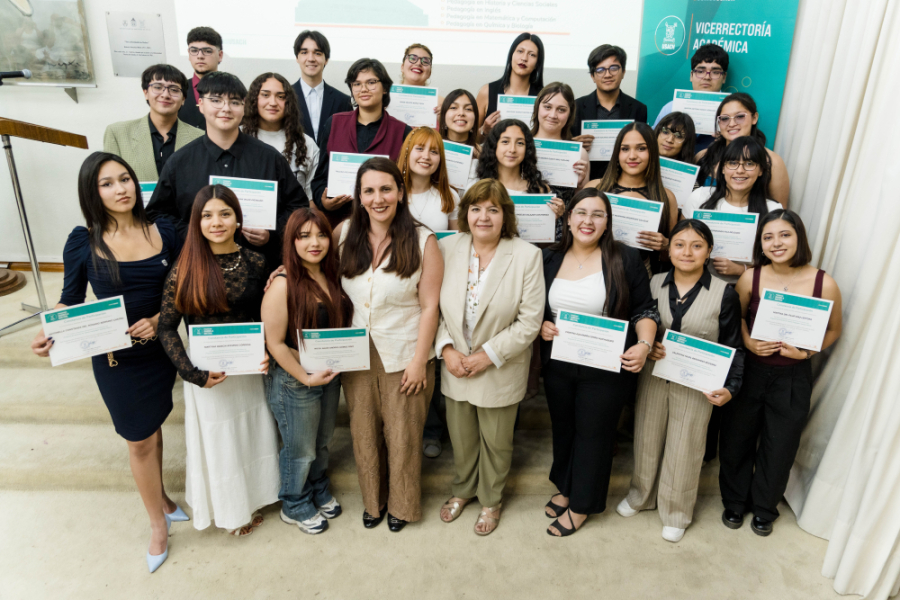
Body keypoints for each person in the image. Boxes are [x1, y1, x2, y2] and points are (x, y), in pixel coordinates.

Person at [30, 152, 184, 573]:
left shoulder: (165, 230)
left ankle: (165, 500)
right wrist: (50, 328)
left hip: (160, 352)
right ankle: (157, 523)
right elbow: (70, 298)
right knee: (138, 439)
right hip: (116, 357)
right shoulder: (84, 240)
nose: (121, 189)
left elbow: (181, 294)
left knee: (151, 428)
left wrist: (157, 320)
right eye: (107, 184)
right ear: (92, 193)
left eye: (125, 179)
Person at [157, 184, 279, 536]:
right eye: (207, 215)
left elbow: (266, 317)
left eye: (224, 213)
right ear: (196, 222)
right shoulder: (185, 269)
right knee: (221, 441)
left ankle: (255, 498)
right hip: (208, 374)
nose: (217, 222)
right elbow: (166, 328)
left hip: (249, 368)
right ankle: (230, 511)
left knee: (252, 431)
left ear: (238, 218)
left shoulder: (256, 262)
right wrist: (192, 373)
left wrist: (268, 352)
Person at [540, 188, 659, 536]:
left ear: (608, 223)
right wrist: (542, 325)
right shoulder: (549, 258)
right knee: (564, 429)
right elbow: (536, 308)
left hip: (607, 365)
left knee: (593, 434)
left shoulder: (625, 258)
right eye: (580, 212)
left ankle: (582, 505)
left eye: (597, 214)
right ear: (568, 217)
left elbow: (644, 309)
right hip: (559, 361)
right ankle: (565, 486)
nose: (587, 221)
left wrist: (644, 344)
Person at [617, 219, 744, 543]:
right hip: (654, 377)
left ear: (709, 251)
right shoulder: (652, 281)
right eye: (679, 244)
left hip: (698, 385)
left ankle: (676, 511)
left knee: (686, 446)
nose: (687, 252)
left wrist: (731, 388)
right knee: (646, 436)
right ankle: (641, 495)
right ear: (668, 248)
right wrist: (648, 343)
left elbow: (734, 346)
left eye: (697, 245)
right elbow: (636, 321)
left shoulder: (724, 294)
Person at [719, 209, 842, 537]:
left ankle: (764, 508)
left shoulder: (823, 282)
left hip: (793, 377)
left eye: (785, 235)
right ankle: (734, 500)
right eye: (768, 237)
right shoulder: (751, 277)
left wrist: (806, 352)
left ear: (799, 237)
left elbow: (834, 329)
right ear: (760, 243)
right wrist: (748, 342)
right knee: (736, 439)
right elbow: (739, 318)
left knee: (780, 445)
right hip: (752, 371)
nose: (777, 243)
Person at [335, 157, 443, 532]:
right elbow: (311, 267)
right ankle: (373, 502)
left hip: (405, 352)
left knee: (403, 435)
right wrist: (283, 271)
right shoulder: (344, 232)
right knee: (363, 432)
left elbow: (430, 307)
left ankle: (403, 505)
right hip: (356, 353)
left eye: (385, 188)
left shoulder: (423, 239)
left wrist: (418, 362)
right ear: (359, 196)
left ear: (400, 191)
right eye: (369, 190)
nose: (378, 198)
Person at [435, 179, 544, 535]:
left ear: (505, 216)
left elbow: (530, 322)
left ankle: (490, 500)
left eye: (493, 209)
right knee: (462, 439)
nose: (484, 216)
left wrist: (488, 355)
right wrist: (446, 349)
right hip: (455, 366)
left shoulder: (527, 255)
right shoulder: (446, 247)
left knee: (497, 443)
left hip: (499, 368)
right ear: (465, 213)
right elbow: (430, 307)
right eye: (476, 208)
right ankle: (462, 490)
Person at [146, 71, 309, 269]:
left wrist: (272, 234)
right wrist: (193, 232)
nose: (226, 109)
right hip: (199, 269)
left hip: (260, 271)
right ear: (201, 104)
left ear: (243, 107)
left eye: (234, 102)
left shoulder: (269, 157)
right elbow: (157, 214)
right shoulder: (180, 162)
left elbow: (298, 206)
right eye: (216, 100)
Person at [260, 208, 353, 535]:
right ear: (291, 241)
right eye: (304, 236)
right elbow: (275, 343)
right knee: (300, 449)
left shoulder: (331, 275)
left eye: (321, 234)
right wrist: (305, 377)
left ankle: (317, 486)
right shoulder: (282, 285)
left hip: (326, 376)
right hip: (293, 381)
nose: (315, 242)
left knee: (323, 440)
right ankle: (294, 502)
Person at [310, 58, 413, 228]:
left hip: (386, 226)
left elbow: (408, 186)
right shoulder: (333, 124)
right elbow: (319, 180)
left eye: (371, 82)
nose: (363, 89)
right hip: (339, 224)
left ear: (385, 88)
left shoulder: (402, 132)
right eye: (356, 84)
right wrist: (324, 201)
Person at [684, 136, 781, 284]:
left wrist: (742, 270)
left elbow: (778, 264)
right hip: (696, 281)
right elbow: (679, 240)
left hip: (746, 286)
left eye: (749, 163)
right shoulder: (699, 197)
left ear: (761, 170)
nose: (740, 170)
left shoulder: (773, 210)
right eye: (733, 163)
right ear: (722, 168)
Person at [588, 122, 679, 275]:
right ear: (617, 153)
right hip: (593, 270)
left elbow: (667, 258)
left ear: (652, 152)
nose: (632, 156)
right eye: (625, 149)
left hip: (644, 275)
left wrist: (666, 245)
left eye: (641, 148)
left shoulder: (666, 197)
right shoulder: (596, 188)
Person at [103, 64, 204, 182]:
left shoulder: (200, 138)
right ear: (146, 92)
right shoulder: (118, 133)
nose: (165, 94)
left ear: (183, 99)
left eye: (174, 89)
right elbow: (110, 181)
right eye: (157, 87)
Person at [696, 93, 790, 207]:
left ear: (754, 118)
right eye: (724, 118)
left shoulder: (772, 161)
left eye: (740, 116)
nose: (731, 124)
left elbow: (778, 215)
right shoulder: (703, 156)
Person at [571, 44, 648, 181]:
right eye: (600, 70)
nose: (607, 74)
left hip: (623, 181)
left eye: (613, 68)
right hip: (586, 180)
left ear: (623, 72)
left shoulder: (638, 109)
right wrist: (573, 146)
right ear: (593, 76)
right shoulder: (575, 107)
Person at [242, 72, 320, 201]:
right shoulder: (236, 137)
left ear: (289, 102)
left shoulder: (306, 144)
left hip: (294, 219)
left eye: (281, 97)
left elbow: (311, 202)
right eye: (265, 95)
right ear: (254, 99)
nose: (273, 102)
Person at [653, 44, 729, 153]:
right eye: (700, 71)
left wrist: (728, 140)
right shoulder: (670, 109)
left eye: (715, 72)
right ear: (691, 75)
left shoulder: (732, 115)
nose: (707, 77)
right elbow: (653, 143)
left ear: (724, 77)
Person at [476, 33, 545, 141]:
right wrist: (484, 130)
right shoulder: (487, 92)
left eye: (532, 55)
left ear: (537, 63)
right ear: (511, 55)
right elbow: (471, 139)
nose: (524, 58)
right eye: (520, 51)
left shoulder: (543, 97)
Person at [290, 30, 353, 144]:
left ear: (326, 60)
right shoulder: (284, 96)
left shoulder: (343, 101)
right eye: (304, 52)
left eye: (317, 53)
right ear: (297, 58)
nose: (311, 58)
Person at [397, 127, 460, 232]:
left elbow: (457, 242)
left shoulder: (449, 195)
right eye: (420, 149)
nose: (426, 156)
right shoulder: (390, 193)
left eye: (434, 152)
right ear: (407, 152)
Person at [530, 82, 590, 190]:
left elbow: (580, 204)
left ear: (570, 114)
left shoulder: (579, 154)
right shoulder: (521, 145)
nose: (553, 115)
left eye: (561, 110)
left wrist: (579, 184)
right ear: (537, 107)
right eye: (547, 107)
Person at [178, 26, 224, 129]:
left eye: (207, 51)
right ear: (189, 55)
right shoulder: (177, 89)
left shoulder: (234, 89)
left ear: (220, 55)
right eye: (194, 50)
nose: (199, 56)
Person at [438, 89, 481, 190]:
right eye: (453, 107)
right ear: (443, 116)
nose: (461, 113)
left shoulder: (482, 154)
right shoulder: (432, 149)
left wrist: (482, 160)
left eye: (468, 109)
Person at [398, 43, 444, 118]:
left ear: (429, 73)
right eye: (412, 58)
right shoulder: (385, 99)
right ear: (402, 67)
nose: (418, 63)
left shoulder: (442, 104)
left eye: (425, 61)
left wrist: (445, 118)